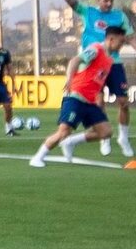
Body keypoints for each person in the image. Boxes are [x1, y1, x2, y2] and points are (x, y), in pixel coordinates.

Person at [56, 0, 136, 157]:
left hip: (113, 63)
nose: (109, 4)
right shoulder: (89, 12)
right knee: (98, 102)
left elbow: (130, 36)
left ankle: (123, 137)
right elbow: (69, 0)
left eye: (111, 1)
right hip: (92, 63)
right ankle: (104, 140)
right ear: (99, 0)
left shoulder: (119, 16)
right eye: (105, 1)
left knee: (123, 101)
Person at [29, 24, 127, 168]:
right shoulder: (96, 49)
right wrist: (69, 79)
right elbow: (75, 61)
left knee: (106, 132)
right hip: (76, 97)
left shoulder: (110, 60)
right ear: (111, 39)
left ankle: (71, 142)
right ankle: (38, 157)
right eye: (121, 42)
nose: (121, 45)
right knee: (64, 131)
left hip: (90, 102)